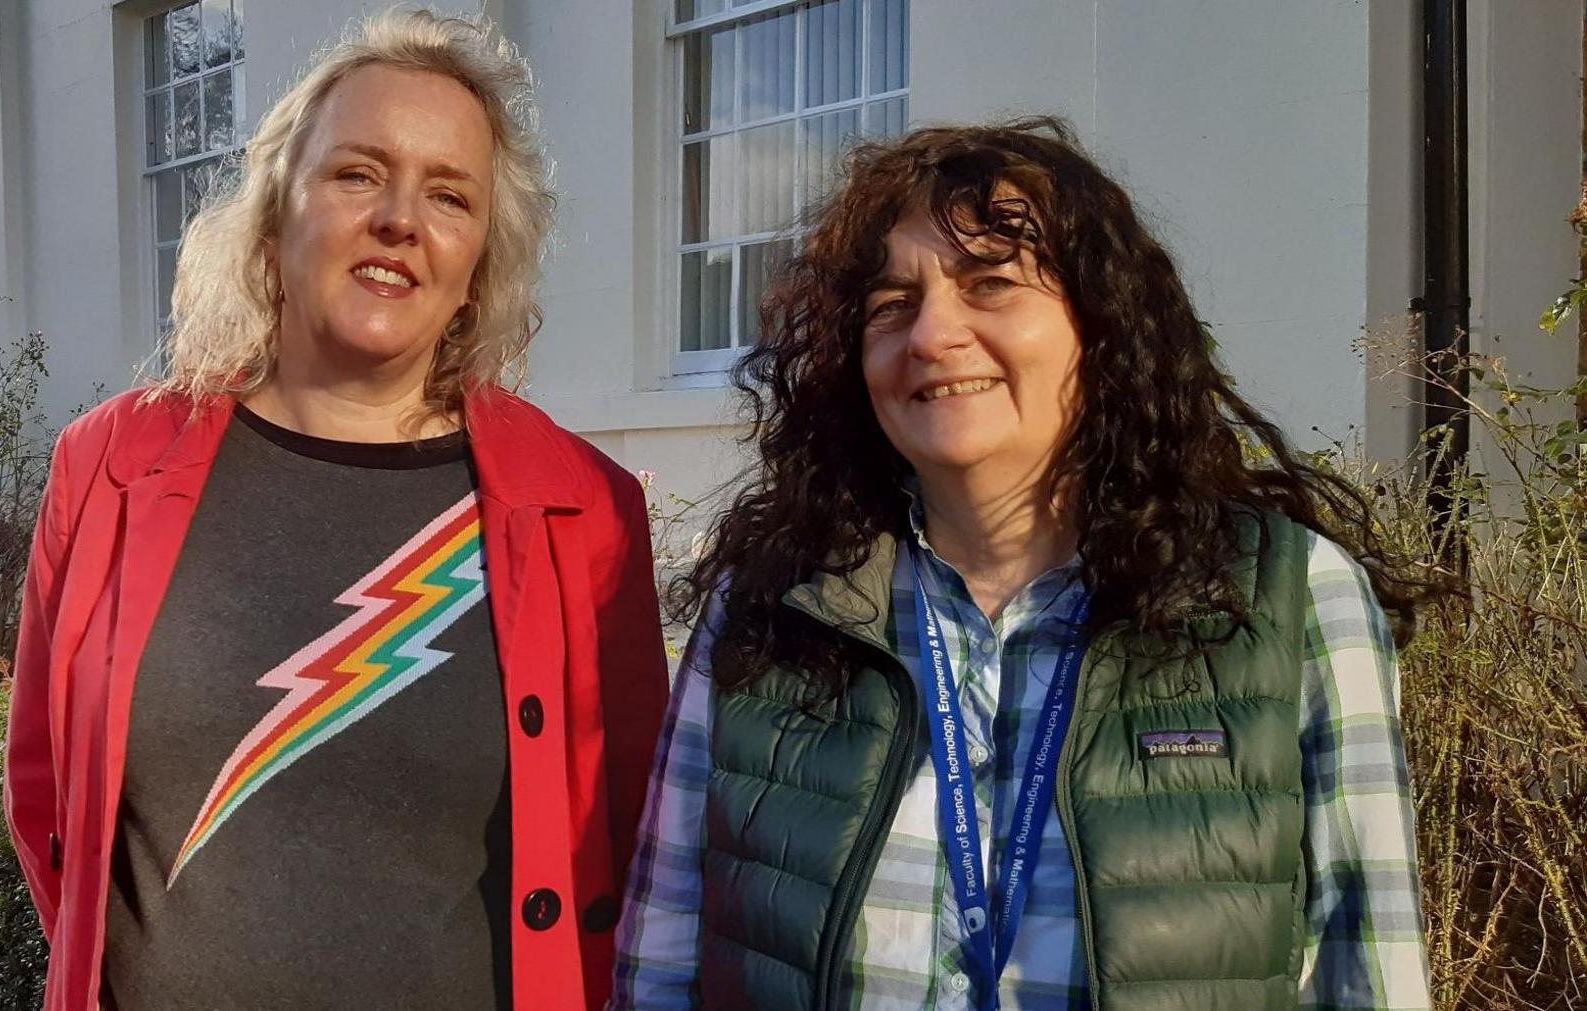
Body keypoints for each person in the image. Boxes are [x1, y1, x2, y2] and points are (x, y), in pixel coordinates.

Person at [612, 119, 1438, 1011]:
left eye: (992, 284)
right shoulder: (771, 611)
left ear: (1102, 325)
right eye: (891, 305)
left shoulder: (1290, 599)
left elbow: (1373, 976)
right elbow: (661, 966)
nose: (932, 334)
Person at [3, 10, 668, 1011]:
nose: (400, 217)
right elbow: (47, 797)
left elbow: (624, 842)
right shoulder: (109, 468)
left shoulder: (584, 512)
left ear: (481, 263)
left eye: (450, 195)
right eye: (358, 173)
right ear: (277, 214)